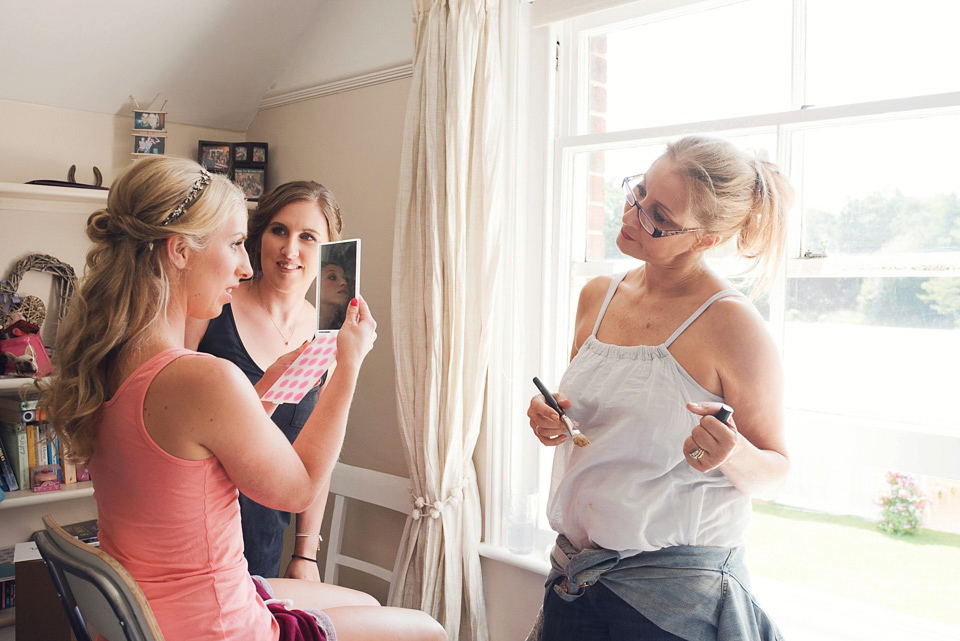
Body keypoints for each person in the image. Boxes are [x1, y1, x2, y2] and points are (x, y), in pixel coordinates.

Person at [39, 156, 446, 641]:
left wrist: (262, 395)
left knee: (365, 602)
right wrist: (349, 365)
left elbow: (192, 449)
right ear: (179, 252)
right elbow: (299, 489)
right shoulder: (203, 376)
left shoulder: (110, 362)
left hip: (154, 612)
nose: (247, 265)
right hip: (219, 627)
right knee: (426, 630)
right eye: (235, 244)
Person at [526, 135, 792, 641]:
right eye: (639, 193)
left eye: (659, 217)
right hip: (575, 582)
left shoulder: (732, 326)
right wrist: (553, 421)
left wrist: (729, 453)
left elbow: (775, 476)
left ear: (705, 239)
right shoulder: (597, 296)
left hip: (673, 606)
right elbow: (592, 427)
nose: (631, 216)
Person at [186, 180, 343, 581]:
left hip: (265, 542)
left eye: (307, 236)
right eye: (280, 231)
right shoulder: (212, 304)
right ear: (259, 237)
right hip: (196, 529)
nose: (290, 250)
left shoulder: (330, 336)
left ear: (327, 249)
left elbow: (318, 455)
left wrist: (305, 554)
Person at [317, 259, 351, 331]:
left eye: (345, 278)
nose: (344, 282)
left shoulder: (347, 323)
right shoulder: (302, 323)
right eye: (332, 277)